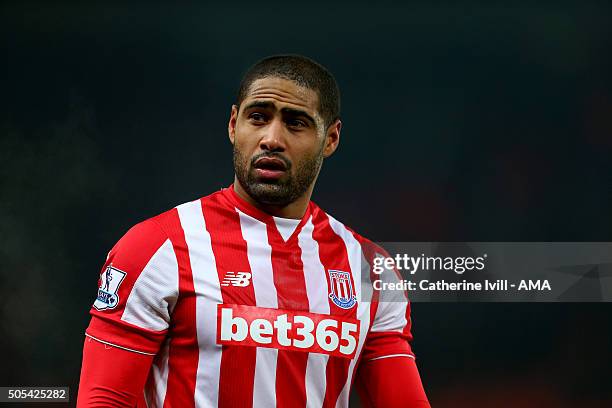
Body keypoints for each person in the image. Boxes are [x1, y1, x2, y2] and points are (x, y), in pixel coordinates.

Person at [77, 54, 430, 408]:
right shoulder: (157, 247)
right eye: (258, 117)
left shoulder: (369, 271)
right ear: (233, 125)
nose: (271, 139)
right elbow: (104, 400)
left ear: (331, 138)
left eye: (296, 123)